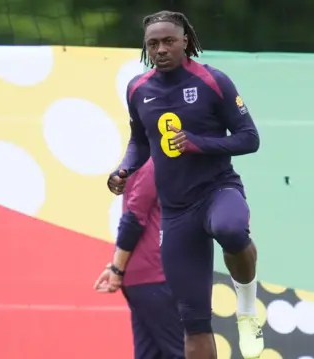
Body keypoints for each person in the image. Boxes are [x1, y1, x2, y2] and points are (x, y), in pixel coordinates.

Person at [106, 10, 264, 359]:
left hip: (217, 191)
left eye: (168, 41)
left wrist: (198, 143)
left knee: (231, 228)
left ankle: (248, 310)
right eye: (153, 44)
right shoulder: (137, 89)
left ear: (185, 42)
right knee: (193, 322)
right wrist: (123, 170)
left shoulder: (212, 81)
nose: (160, 49)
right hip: (176, 213)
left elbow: (249, 138)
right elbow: (140, 141)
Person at [95, 158, 185, 359]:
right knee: (187, 353)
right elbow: (133, 219)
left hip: (143, 277)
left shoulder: (140, 162)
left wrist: (118, 268)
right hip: (156, 276)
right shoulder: (153, 162)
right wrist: (117, 270)